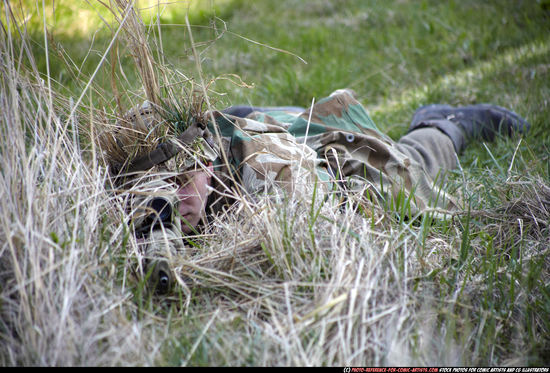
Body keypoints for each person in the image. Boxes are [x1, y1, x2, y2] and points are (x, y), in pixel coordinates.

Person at [105, 89, 530, 294]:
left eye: (185, 178)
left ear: (205, 162)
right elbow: (154, 214)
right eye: (167, 185)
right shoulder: (155, 176)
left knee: (399, 178)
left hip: (302, 144)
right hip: (259, 127)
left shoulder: (264, 168)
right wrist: (160, 259)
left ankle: (447, 121)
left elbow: (315, 225)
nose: (181, 197)